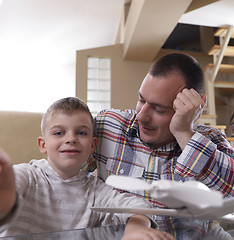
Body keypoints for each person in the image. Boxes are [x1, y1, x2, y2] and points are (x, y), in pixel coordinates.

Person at [85, 53, 234, 234]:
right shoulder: (108, 125)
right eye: (141, 100)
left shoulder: (211, 140)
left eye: (159, 109)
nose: (142, 116)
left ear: (196, 107)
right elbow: (61, 177)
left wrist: (185, 134)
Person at [0, 97, 175, 240]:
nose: (71, 139)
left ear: (92, 146)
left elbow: (138, 206)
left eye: (81, 133)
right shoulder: (28, 176)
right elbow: (10, 187)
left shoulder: (96, 190)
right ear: (43, 144)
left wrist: (135, 231)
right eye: (59, 133)